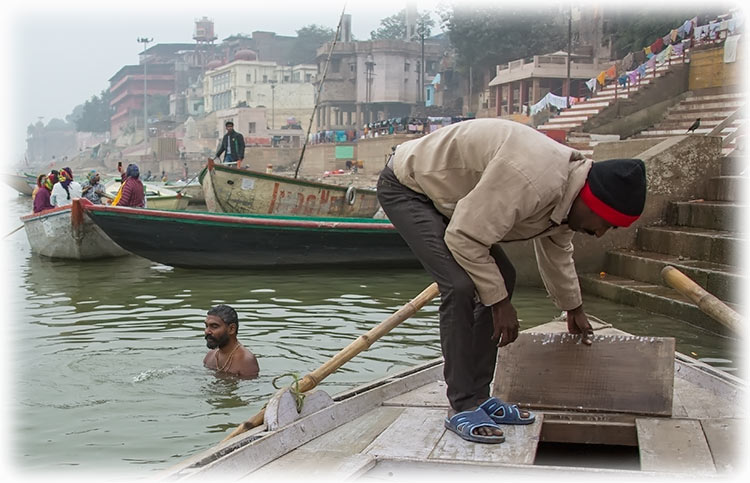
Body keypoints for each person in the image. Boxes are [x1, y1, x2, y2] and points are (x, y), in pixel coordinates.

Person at [376, 118, 647, 444]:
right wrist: (500, 303)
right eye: (607, 224)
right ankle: (461, 404)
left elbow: (557, 253)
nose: (601, 233)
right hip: (408, 187)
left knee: (504, 275)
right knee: (460, 286)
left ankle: (479, 396)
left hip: (450, 200)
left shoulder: (568, 194)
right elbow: (463, 237)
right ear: (591, 202)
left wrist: (573, 309)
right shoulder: (532, 179)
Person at [203, 304, 259, 379]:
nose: (207, 331)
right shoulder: (209, 356)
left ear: (231, 329)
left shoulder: (245, 361)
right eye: (206, 326)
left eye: (214, 326)